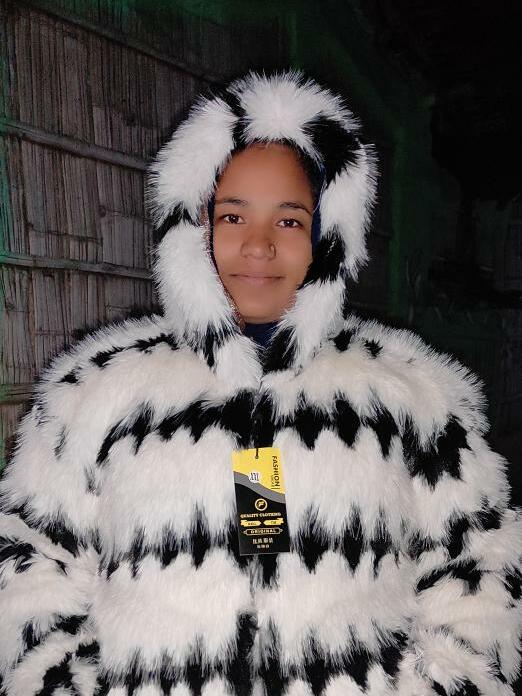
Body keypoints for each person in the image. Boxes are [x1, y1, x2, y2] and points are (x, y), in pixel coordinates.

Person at [0, 71, 520, 696]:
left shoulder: (411, 397)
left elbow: (484, 567)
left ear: (329, 239)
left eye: (291, 221)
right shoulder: (94, 395)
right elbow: (27, 564)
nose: (259, 246)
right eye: (232, 215)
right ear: (192, 228)